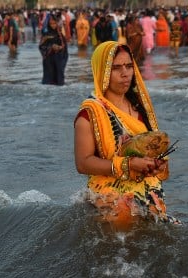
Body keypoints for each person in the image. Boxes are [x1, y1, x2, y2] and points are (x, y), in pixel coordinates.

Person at [74, 41, 180, 227]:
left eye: (129, 66)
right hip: (109, 195)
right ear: (102, 72)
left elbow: (149, 147)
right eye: (116, 68)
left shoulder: (139, 107)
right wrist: (128, 165)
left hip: (147, 189)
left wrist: (155, 164)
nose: (125, 73)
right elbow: (83, 163)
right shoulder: (89, 114)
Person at [39, 15, 68, 85]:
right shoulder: (46, 34)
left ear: (56, 23)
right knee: (48, 81)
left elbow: (64, 48)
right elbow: (41, 46)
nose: (53, 25)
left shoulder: (60, 34)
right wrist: (51, 47)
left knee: (59, 79)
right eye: (51, 24)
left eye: (54, 23)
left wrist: (59, 48)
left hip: (58, 59)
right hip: (48, 60)